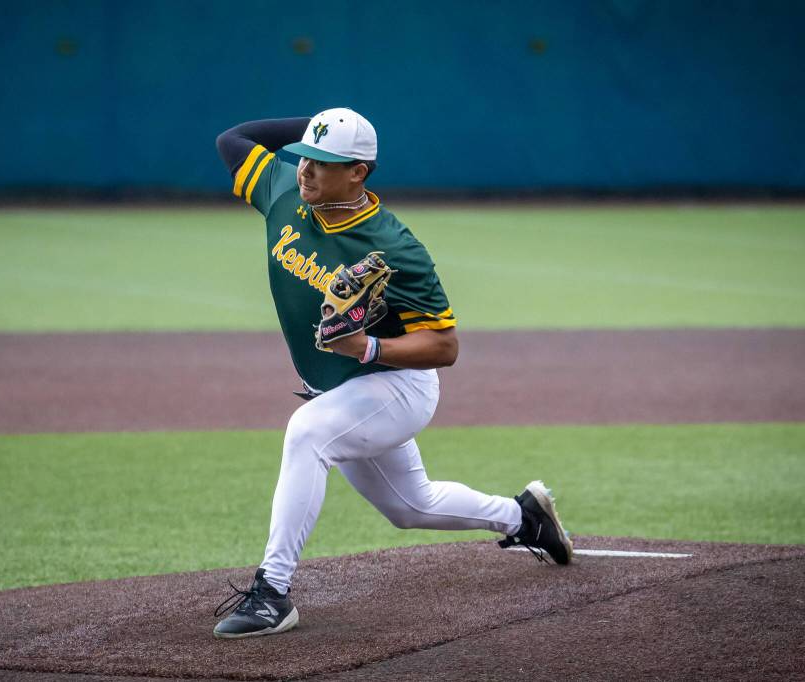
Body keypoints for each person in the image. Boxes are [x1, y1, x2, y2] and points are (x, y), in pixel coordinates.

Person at [211, 109, 574, 639]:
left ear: (358, 171)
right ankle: (524, 518)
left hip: (398, 386)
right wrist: (313, 126)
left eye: (325, 162)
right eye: (306, 158)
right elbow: (232, 139)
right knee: (411, 505)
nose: (307, 170)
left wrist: (367, 345)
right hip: (338, 389)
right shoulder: (283, 189)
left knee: (308, 432)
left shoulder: (396, 247)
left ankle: (272, 594)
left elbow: (445, 346)